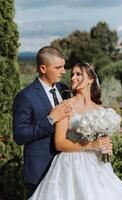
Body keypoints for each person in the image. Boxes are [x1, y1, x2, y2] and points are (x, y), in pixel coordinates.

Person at [29, 62, 122, 200]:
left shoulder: (100, 109)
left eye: (79, 74)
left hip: (97, 165)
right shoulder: (65, 106)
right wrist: (91, 145)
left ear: (91, 79)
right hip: (70, 165)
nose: (73, 78)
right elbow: (59, 143)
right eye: (73, 74)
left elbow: (102, 139)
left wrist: (106, 146)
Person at [13, 46, 72, 198]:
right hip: (40, 170)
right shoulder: (25, 96)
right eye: (58, 67)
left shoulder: (64, 89)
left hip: (67, 167)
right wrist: (51, 119)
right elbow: (19, 136)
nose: (64, 71)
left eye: (63, 66)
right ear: (43, 68)